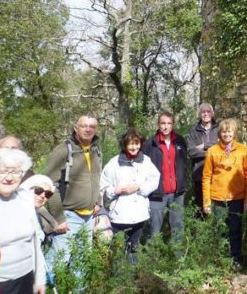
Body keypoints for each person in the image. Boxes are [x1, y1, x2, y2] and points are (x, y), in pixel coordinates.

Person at [46, 114, 102, 265]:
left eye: (92, 127)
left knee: (82, 264)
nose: (88, 129)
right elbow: (50, 185)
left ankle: (78, 290)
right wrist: (59, 218)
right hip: (68, 217)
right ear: (76, 128)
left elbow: (96, 178)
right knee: (57, 262)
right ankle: (44, 288)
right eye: (84, 126)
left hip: (89, 217)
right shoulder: (63, 150)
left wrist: (98, 202)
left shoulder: (95, 150)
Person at [100, 128, 160, 262]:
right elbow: (103, 185)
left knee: (134, 247)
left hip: (139, 214)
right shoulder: (114, 163)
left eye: (137, 143)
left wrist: (139, 187)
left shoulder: (146, 161)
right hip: (119, 216)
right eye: (131, 144)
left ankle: (132, 277)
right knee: (117, 247)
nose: (134, 147)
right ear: (125, 145)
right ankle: (117, 276)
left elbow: (154, 179)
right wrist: (115, 190)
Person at [0, 148, 46, 294]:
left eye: (16, 172)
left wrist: (39, 279)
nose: (9, 177)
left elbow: (35, 241)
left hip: (27, 277)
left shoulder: (25, 198)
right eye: (3, 171)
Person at [202, 118, 247, 269]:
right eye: (224, 131)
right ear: (220, 133)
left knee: (235, 230)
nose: (226, 134)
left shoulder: (243, 150)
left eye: (229, 131)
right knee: (220, 230)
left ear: (234, 133)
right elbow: (206, 177)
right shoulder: (212, 151)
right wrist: (206, 201)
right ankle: (222, 261)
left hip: (237, 198)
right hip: (217, 198)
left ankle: (236, 260)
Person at [143, 112, 188, 242]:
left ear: (173, 125)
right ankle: (152, 259)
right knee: (154, 229)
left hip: (177, 193)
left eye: (169, 123)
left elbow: (184, 163)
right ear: (158, 125)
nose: (166, 126)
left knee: (178, 227)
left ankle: (179, 260)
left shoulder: (180, 141)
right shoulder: (150, 143)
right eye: (163, 123)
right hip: (157, 194)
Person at [186, 103, 219, 213]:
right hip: (200, 174)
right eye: (203, 112)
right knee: (201, 208)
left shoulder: (219, 128)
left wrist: (199, 147)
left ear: (212, 113)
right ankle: (202, 228)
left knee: (217, 207)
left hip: (218, 174)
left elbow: (224, 148)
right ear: (199, 114)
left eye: (208, 111)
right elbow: (191, 151)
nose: (206, 114)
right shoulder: (193, 131)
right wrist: (206, 146)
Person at [20, 175, 57, 244]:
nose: (43, 196)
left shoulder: (34, 213)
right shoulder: (17, 212)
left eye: (48, 194)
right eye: (38, 191)